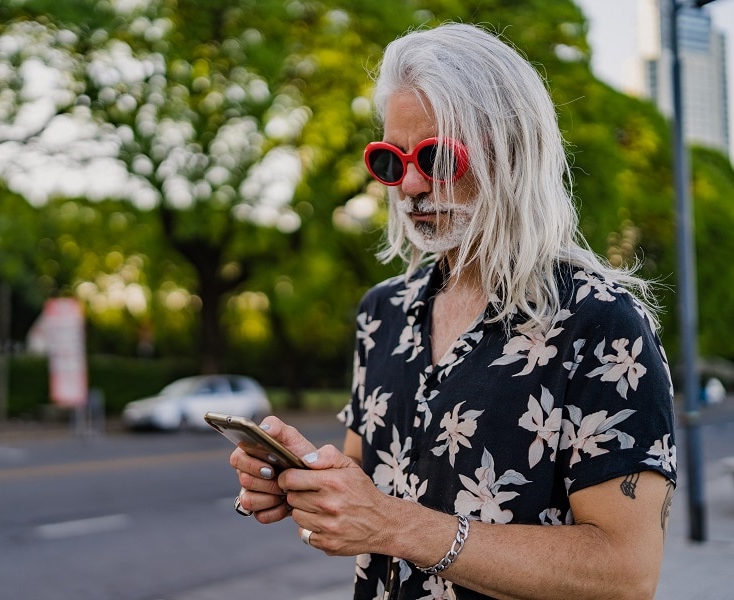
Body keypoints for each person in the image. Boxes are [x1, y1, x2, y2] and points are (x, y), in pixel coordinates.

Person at [229, 22, 676, 600]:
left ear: (512, 152)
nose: (410, 184)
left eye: (437, 156)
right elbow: (370, 481)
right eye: (390, 161)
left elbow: (626, 571)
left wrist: (394, 525)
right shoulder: (381, 313)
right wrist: (298, 480)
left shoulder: (600, 322)